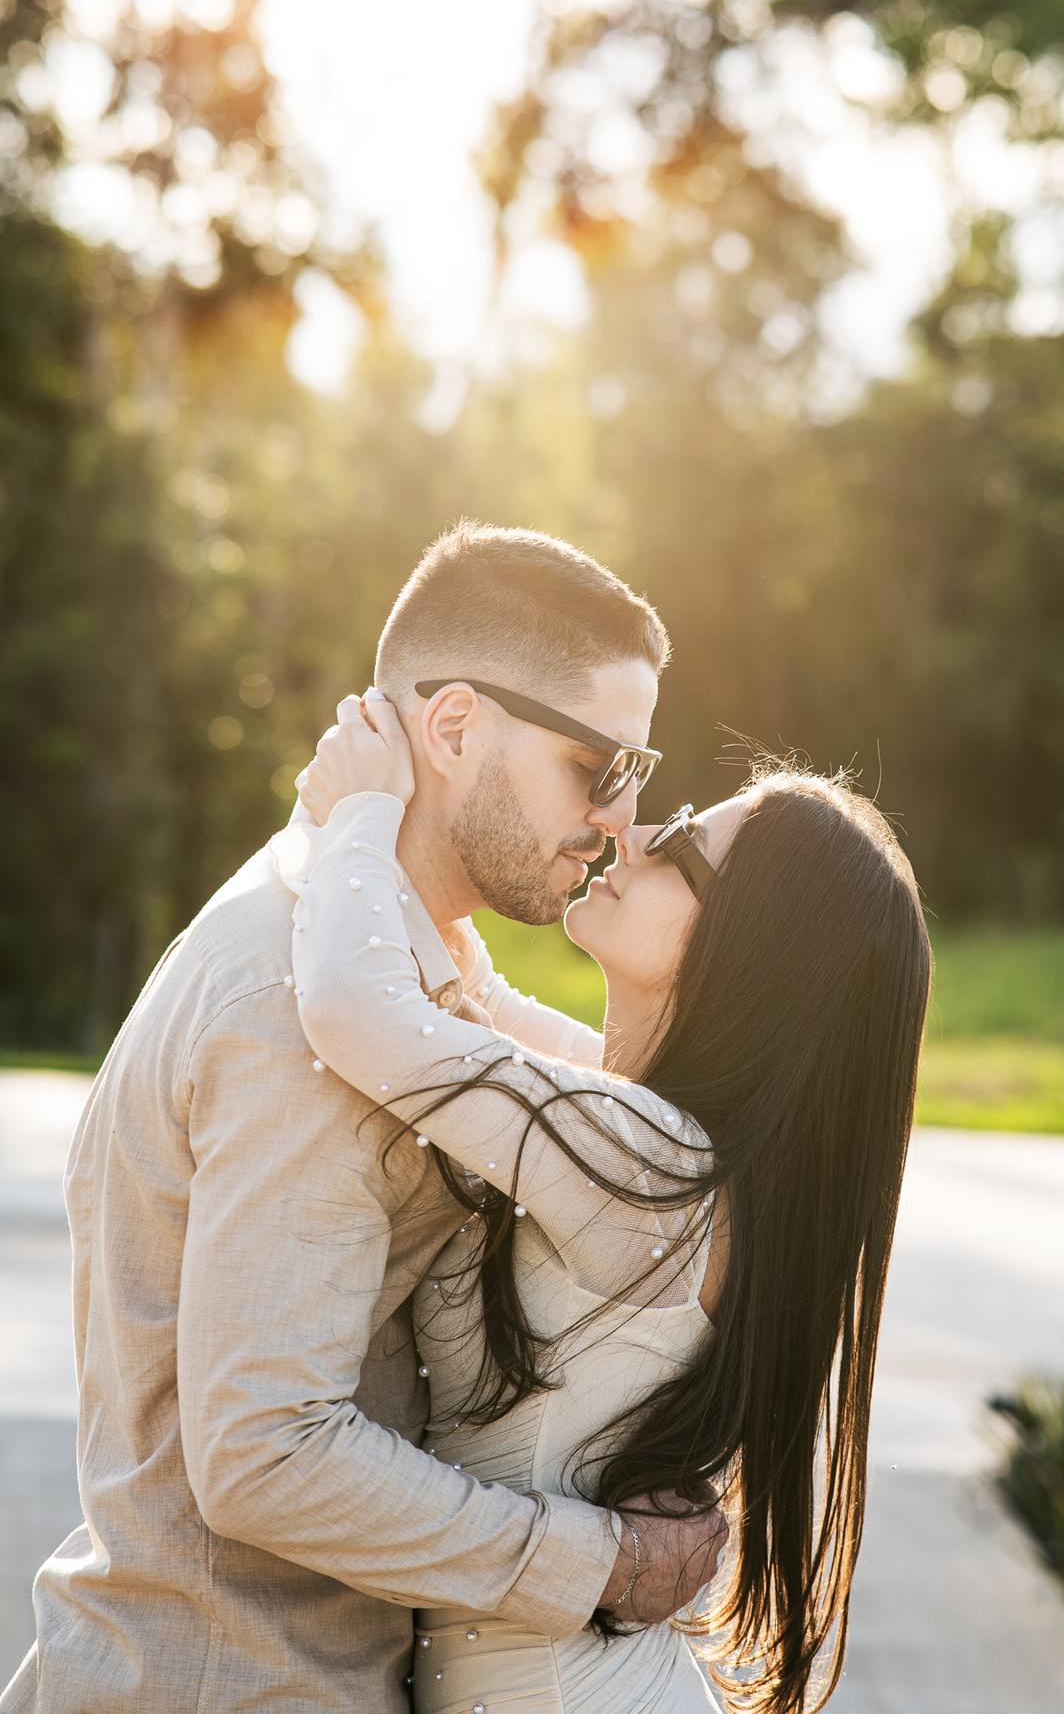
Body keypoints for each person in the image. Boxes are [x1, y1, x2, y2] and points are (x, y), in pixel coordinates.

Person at [1, 524, 726, 1714]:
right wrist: (596, 1562)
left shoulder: (398, 956)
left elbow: (596, 1094)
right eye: (598, 767)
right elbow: (265, 1452)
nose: (619, 817)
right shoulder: (301, 1011)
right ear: (455, 730)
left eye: (637, 774)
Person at [274, 675, 933, 1713]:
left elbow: (360, 1007)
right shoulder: (658, 1139)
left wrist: (358, 807)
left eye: (684, 847)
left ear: (750, 954)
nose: (634, 832)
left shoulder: (644, 1161)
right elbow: (473, 1001)